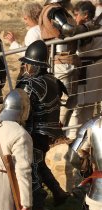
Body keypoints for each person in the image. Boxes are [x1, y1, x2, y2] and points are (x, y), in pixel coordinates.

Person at [16, 40, 70, 210]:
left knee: (31, 166)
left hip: (33, 131)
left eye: (28, 64)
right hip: (47, 132)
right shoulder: (53, 80)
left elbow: (22, 107)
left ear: (34, 65)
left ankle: (38, 205)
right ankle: (58, 192)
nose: (25, 67)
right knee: (39, 163)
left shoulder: (29, 84)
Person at [38, 0, 89, 139]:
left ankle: (63, 138)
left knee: (69, 104)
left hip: (62, 61)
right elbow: (68, 29)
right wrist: (86, 27)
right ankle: (55, 138)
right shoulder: (55, 9)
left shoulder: (49, 9)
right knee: (64, 103)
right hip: (63, 60)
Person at [73, 1, 102, 130]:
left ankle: (80, 142)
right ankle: (85, 142)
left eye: (76, 15)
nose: (75, 18)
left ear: (85, 15)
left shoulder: (87, 27)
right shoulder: (95, 25)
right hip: (93, 66)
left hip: (89, 67)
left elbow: (84, 47)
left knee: (80, 107)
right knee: (87, 107)